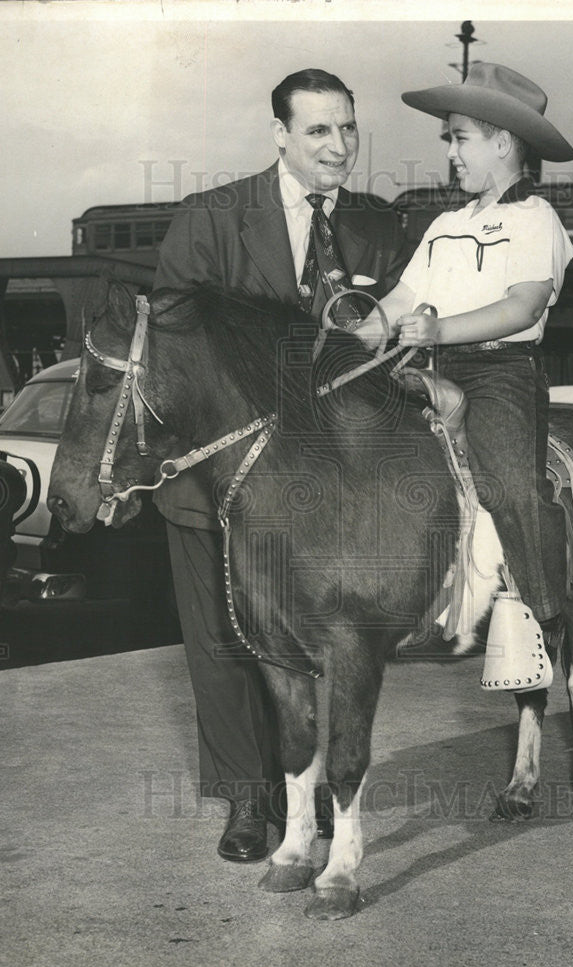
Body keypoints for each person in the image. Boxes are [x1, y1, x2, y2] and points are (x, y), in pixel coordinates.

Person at [152, 69, 409, 863]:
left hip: (325, 485)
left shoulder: (376, 227)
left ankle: (316, 793)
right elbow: (171, 344)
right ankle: (245, 801)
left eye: (348, 130)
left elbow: (389, 345)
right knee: (227, 643)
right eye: (319, 132)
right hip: (215, 483)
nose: (338, 147)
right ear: (279, 135)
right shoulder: (212, 218)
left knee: (321, 644)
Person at [356, 62, 573, 638]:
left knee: (508, 484)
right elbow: (404, 297)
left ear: (503, 142)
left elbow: (523, 307)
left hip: (501, 371)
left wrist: (439, 330)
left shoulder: (535, 220)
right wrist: (345, 345)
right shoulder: (445, 223)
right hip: (433, 365)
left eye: (460, 138)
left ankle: (547, 613)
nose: (451, 151)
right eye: (449, 138)